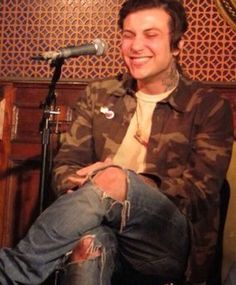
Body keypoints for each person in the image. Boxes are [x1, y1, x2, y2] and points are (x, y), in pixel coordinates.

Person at [0, 0, 234, 284]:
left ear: (176, 45)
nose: (136, 46)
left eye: (151, 35)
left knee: (112, 179)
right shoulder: (98, 94)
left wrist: (125, 182)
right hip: (101, 226)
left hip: (168, 243)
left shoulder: (208, 106)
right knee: (89, 242)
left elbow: (200, 192)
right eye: (128, 34)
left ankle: (12, 272)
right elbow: (64, 168)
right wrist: (93, 182)